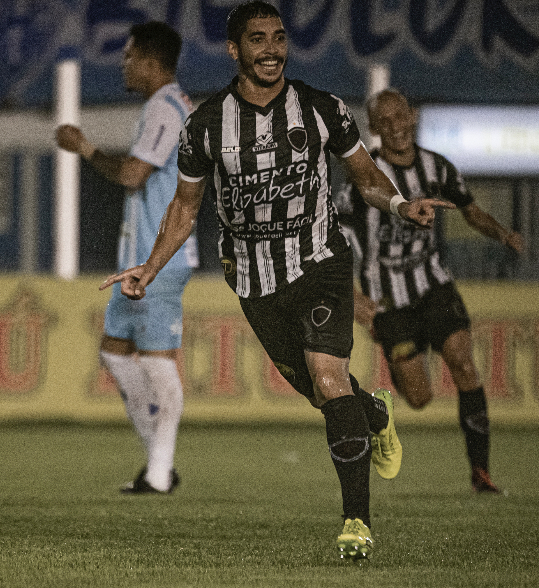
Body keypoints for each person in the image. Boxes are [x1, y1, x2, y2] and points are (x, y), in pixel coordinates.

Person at [100, 1, 452, 560]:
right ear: (236, 50)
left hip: (319, 263)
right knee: (322, 393)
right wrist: (149, 266)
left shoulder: (321, 109)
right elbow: (184, 208)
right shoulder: (207, 124)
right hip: (256, 282)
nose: (272, 49)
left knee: (328, 374)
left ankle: (356, 524)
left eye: (279, 37)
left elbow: (365, 178)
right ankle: (376, 415)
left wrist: (401, 203)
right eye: (258, 39)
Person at [338, 89, 525, 494]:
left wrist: (503, 234)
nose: (396, 127)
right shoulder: (362, 181)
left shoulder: (437, 167)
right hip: (389, 301)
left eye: (400, 117)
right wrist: (353, 298)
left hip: (433, 285)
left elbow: (470, 210)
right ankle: (384, 399)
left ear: (413, 116)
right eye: (384, 122)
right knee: (419, 398)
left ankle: (481, 473)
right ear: (373, 129)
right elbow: (330, 240)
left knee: (462, 361)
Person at [57, 22, 197, 495]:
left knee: (158, 363)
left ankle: (159, 472)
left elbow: (134, 175)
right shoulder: (166, 106)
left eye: (129, 55)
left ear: (152, 63)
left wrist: (86, 149)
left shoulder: (165, 108)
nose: (124, 63)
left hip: (159, 258)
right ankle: (160, 459)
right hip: (136, 258)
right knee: (114, 355)